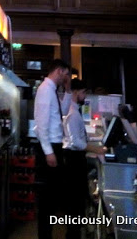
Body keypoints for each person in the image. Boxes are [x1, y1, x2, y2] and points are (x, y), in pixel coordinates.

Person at [63, 79, 106, 239]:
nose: (85, 95)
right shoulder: (73, 113)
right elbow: (76, 142)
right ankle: (72, 235)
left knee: (77, 200)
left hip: (75, 158)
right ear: (75, 92)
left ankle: (75, 232)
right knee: (76, 200)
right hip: (74, 159)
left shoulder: (74, 110)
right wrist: (96, 149)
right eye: (83, 92)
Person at [33, 58, 71, 239]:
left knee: (52, 195)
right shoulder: (45, 90)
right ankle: (44, 235)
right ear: (58, 71)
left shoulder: (51, 90)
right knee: (47, 198)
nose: (66, 77)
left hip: (54, 146)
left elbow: (63, 112)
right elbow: (41, 124)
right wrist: (48, 152)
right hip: (49, 148)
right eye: (66, 74)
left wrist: (68, 90)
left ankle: (47, 234)